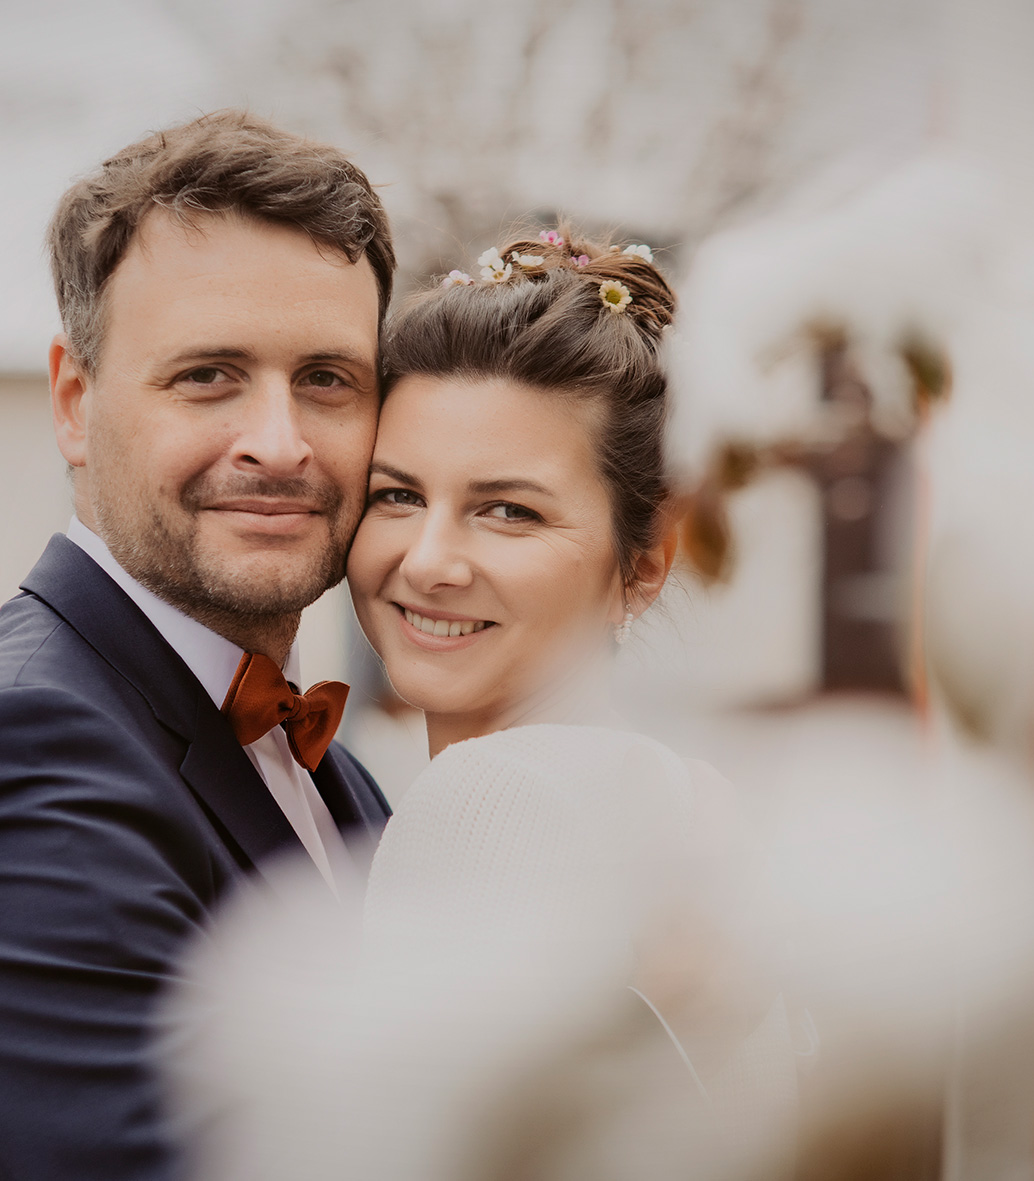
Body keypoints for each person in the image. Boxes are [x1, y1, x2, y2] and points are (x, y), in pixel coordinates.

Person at [0, 110, 396, 1181]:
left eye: (327, 377)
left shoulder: (335, 773)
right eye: (207, 375)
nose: (278, 441)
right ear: (74, 405)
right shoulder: (8, 760)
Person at [168, 229, 799, 1181]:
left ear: (645, 564)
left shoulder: (489, 800)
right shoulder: (683, 794)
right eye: (398, 495)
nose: (429, 560)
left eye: (510, 510)